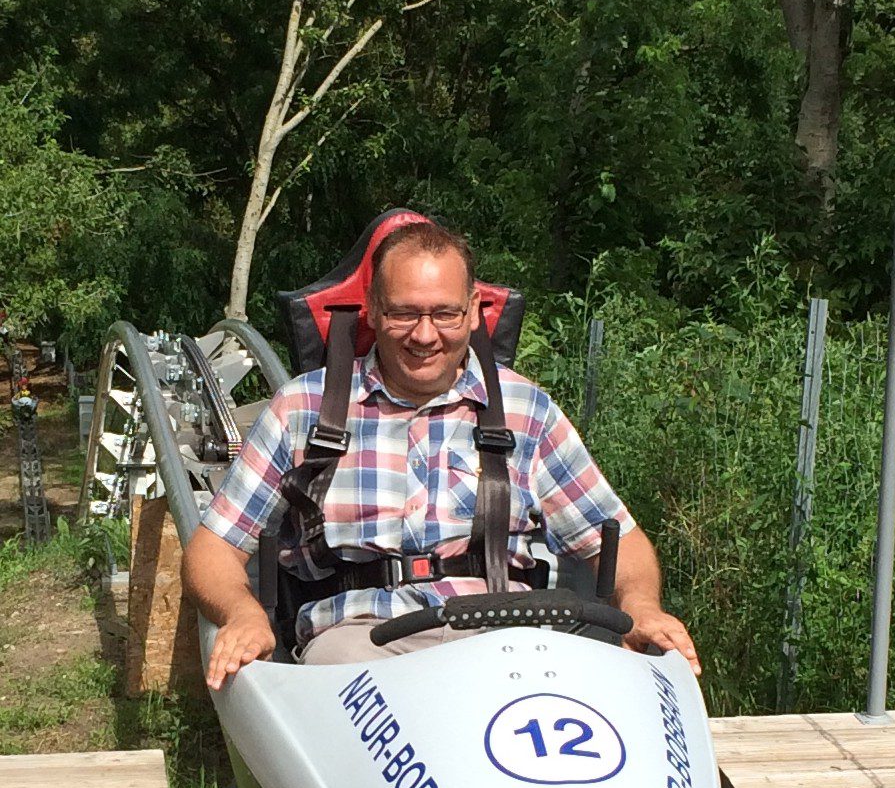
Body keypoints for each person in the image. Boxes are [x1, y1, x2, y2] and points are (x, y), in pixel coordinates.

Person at [182, 221, 700, 690]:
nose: (425, 335)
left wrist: (642, 605)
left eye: (445, 313)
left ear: (474, 310)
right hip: (361, 643)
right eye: (404, 313)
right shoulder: (304, 409)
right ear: (372, 311)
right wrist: (241, 613)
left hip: (507, 636)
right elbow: (215, 549)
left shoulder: (526, 410)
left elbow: (618, 537)